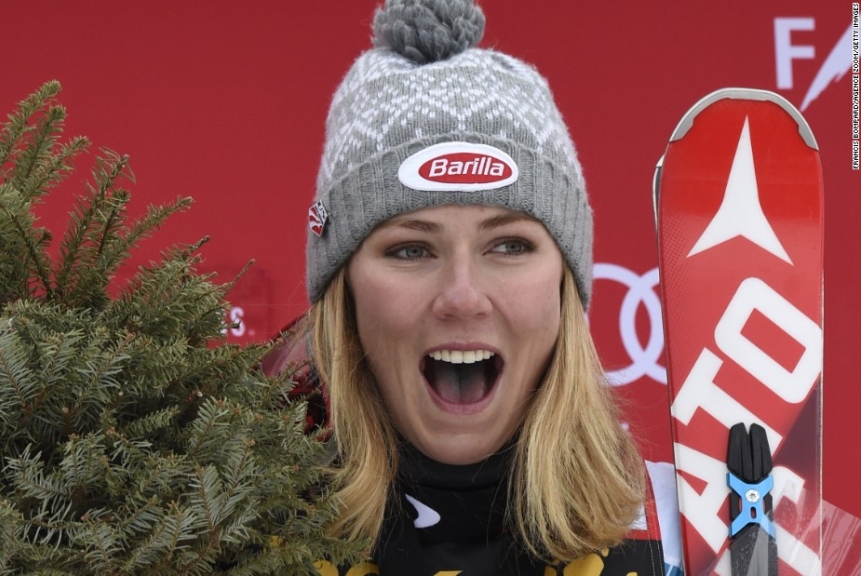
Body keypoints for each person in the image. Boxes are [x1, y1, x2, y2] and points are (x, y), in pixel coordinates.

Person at [276, 0, 675, 573]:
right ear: (346, 295)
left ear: (565, 287)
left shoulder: (697, 539)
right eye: (411, 249)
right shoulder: (221, 531)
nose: (462, 296)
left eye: (509, 246)